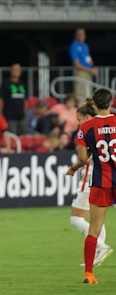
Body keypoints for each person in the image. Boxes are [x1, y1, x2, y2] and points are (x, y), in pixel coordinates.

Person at [74, 88, 116, 284]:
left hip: (101, 181)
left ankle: (89, 274)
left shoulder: (87, 126)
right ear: (111, 102)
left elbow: (83, 158)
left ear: (94, 104)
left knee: (94, 229)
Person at [66, 101, 113, 268]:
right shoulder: (105, 126)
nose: (78, 123)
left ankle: (101, 247)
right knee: (97, 219)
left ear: (86, 116)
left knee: (76, 218)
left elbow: (83, 158)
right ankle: (98, 253)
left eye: (79, 119)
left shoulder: (87, 128)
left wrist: (72, 169)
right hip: (105, 176)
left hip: (91, 176)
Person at [0, 63, 26, 135]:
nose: (16, 71)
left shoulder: (22, 83)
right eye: (14, 70)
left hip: (21, 116)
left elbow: (26, 99)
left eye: (18, 70)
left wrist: (25, 112)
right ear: (11, 71)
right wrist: (0, 114)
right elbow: (0, 99)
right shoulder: (5, 83)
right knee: (13, 136)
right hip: (10, 116)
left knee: (23, 135)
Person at [70, 28, 98, 100]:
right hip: (81, 72)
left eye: (82, 35)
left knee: (89, 93)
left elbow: (88, 59)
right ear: (75, 36)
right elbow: (77, 64)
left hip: (88, 72)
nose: (80, 37)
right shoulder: (74, 45)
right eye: (78, 35)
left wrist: (92, 68)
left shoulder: (85, 45)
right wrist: (90, 70)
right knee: (81, 94)